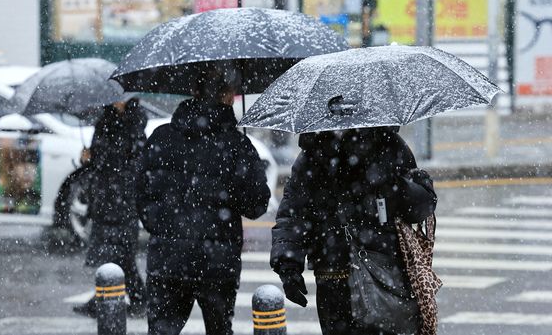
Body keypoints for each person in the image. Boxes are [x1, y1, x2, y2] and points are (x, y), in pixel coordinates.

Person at [270, 127, 437, 335]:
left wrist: (395, 185)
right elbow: (293, 215)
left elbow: (421, 208)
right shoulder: (313, 155)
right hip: (333, 279)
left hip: (383, 274)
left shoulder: (388, 145)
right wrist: (288, 265)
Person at [136, 77, 271, 335]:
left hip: (168, 259)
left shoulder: (161, 137)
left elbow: (142, 191)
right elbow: (257, 205)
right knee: (219, 330)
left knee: (162, 330)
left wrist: (161, 226)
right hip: (217, 264)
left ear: (193, 90)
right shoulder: (235, 145)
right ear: (230, 96)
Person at [73, 97, 147, 317]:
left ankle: (134, 297)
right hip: (103, 196)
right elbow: (100, 160)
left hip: (124, 197)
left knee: (122, 253)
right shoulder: (104, 121)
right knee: (108, 251)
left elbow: (135, 161)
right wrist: (87, 158)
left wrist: (106, 159)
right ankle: (109, 296)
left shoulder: (136, 123)